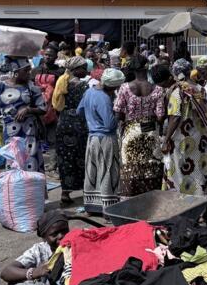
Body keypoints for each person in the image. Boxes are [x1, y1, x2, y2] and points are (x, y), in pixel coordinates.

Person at [114, 57, 165, 198]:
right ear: (147, 68)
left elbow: (118, 112)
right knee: (151, 168)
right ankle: (151, 202)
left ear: (133, 70)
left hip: (131, 132)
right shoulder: (158, 90)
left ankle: (129, 204)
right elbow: (160, 116)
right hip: (150, 133)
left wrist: (127, 122)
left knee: (130, 169)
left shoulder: (124, 88)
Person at [162, 59, 207, 196]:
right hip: (200, 138)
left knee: (180, 172)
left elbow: (175, 117)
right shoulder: (201, 89)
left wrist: (166, 140)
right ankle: (200, 210)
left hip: (181, 139)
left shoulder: (177, 92)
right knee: (198, 170)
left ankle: (181, 205)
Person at [0, 58, 46, 172]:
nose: (29, 73)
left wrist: (28, 109)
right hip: (10, 134)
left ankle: (31, 189)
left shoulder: (31, 87)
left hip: (29, 133)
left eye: (29, 70)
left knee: (31, 163)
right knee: (13, 163)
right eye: (26, 71)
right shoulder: (0, 87)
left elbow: (43, 108)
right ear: (15, 72)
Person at [78, 69, 124, 210]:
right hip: (106, 139)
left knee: (92, 171)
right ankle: (107, 208)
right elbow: (110, 124)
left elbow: (79, 111)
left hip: (92, 138)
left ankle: (91, 206)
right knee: (108, 171)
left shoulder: (89, 91)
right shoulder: (104, 98)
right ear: (112, 86)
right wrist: (118, 114)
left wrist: (91, 120)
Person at [53, 57, 90, 205]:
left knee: (65, 159)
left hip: (63, 123)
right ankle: (87, 190)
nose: (86, 71)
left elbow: (58, 106)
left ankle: (65, 193)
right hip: (79, 124)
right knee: (81, 157)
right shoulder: (83, 86)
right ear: (75, 70)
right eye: (83, 68)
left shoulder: (62, 82)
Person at [1, 211, 71, 285]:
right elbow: (6, 272)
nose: (61, 236)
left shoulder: (76, 243)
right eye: (54, 234)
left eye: (65, 230)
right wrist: (35, 272)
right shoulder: (39, 250)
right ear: (44, 238)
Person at [33, 45, 62, 143]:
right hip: (38, 105)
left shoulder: (59, 72)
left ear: (56, 57)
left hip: (53, 105)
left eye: (51, 55)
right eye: (46, 54)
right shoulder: (35, 70)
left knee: (52, 134)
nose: (48, 57)